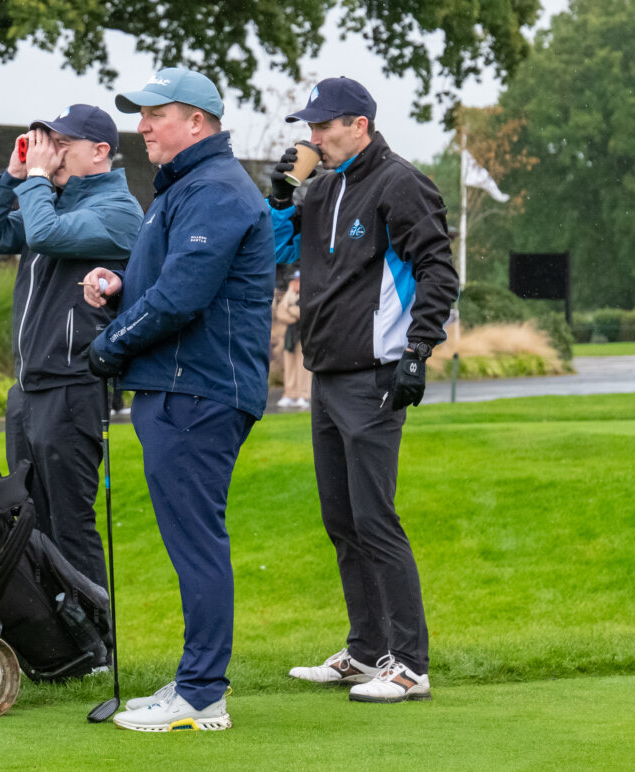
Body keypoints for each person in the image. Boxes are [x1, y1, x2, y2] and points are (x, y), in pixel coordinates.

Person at [79, 68, 274, 733]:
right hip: (179, 386)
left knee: (196, 542)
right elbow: (160, 282)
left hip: (198, 389)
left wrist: (111, 346)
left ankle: (201, 694)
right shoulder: (185, 189)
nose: (142, 127)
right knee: (192, 538)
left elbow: (183, 296)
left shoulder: (215, 189)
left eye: (154, 114)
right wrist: (118, 286)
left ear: (197, 121)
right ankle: (196, 682)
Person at [267, 77, 458, 703]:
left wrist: (419, 349)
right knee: (341, 520)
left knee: (376, 519)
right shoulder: (321, 189)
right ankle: (366, 650)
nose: (314, 137)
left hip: (377, 374)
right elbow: (276, 247)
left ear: (360, 125)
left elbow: (438, 270)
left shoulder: (399, 182)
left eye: (325, 126)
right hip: (327, 374)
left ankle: (409, 663)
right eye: (312, 127)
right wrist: (279, 197)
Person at [0, 103, 143, 591]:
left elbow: (43, 233)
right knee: (27, 520)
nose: (52, 152)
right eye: (49, 142)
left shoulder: (117, 211)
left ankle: (94, 642)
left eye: (63, 143)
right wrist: (11, 177)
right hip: (27, 390)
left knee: (69, 521)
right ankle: (55, 639)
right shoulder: (54, 201)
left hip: (72, 385)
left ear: (99, 151)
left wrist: (38, 179)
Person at [276, 272, 310, 409]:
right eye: (294, 280)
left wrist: (290, 310)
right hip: (290, 335)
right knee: (289, 365)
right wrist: (290, 293)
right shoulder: (289, 295)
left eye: (298, 280)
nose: (296, 283)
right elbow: (280, 312)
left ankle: (304, 395)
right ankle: (290, 394)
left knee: (303, 367)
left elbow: (303, 313)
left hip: (303, 335)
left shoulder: (307, 293)